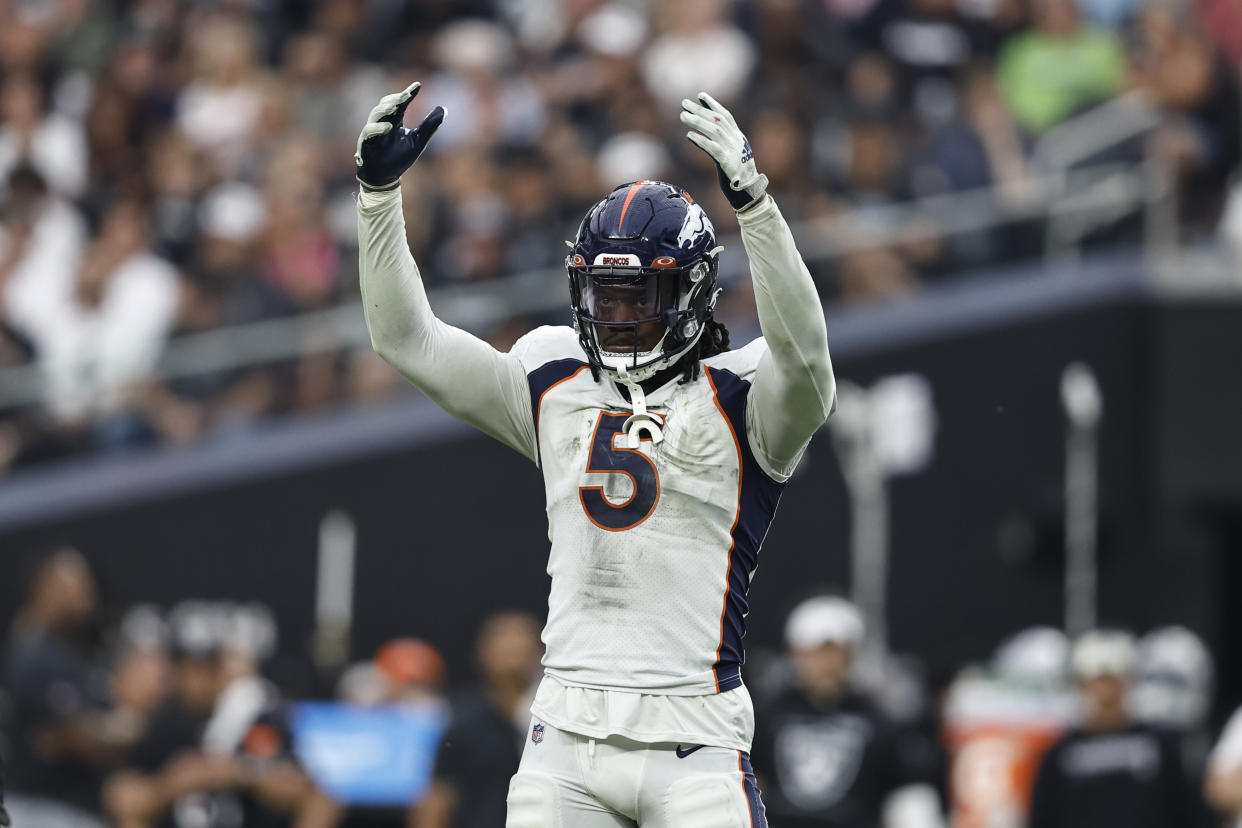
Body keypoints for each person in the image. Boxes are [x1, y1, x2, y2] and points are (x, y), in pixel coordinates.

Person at [356, 81, 835, 827]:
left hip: (696, 744)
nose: (614, 318)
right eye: (602, 295)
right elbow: (406, 341)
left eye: (636, 296)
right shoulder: (554, 376)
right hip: (564, 744)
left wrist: (758, 210)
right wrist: (377, 197)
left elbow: (808, 362)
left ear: (695, 292)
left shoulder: (746, 399)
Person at [751, 596, 944, 828]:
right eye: (815, 653)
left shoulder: (877, 721)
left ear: (851, 655)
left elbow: (907, 793)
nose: (826, 664)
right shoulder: (767, 715)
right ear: (795, 654)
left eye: (834, 653)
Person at [1027, 629, 1194, 828]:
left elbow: (1185, 812)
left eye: (1113, 681)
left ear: (1129, 682)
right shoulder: (1059, 754)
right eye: (1098, 681)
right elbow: (1042, 817)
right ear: (1082, 685)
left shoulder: (1160, 746)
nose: (1106, 691)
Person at [413, 612, 543, 828]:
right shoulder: (463, 719)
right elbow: (438, 799)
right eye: (503, 642)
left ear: (541, 653)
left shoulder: (558, 717)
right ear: (482, 653)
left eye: (521, 642)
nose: (513, 649)